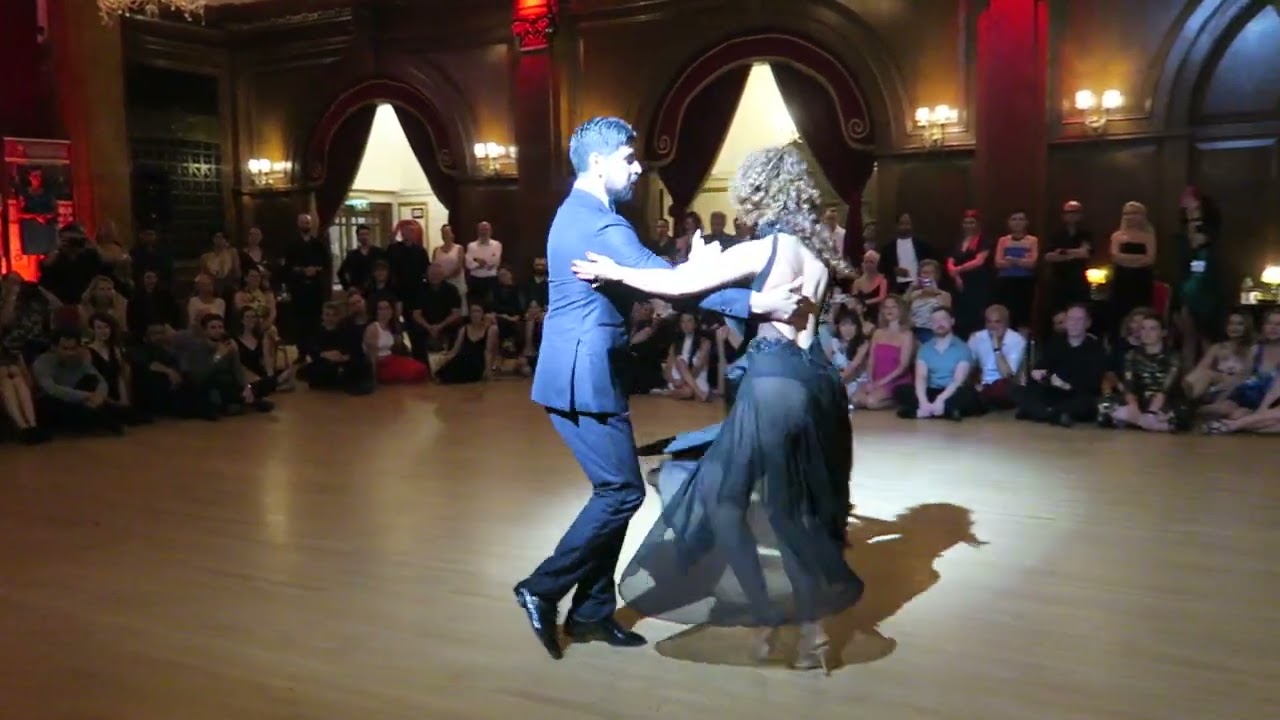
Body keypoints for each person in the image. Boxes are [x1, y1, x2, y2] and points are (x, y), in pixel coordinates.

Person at [512, 117, 805, 660]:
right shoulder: (599, 224)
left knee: (616, 493)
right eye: (628, 157)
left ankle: (591, 612)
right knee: (621, 493)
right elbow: (670, 287)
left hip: (586, 370)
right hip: (581, 375)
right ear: (599, 163)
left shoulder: (585, 216)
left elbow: (658, 275)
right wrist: (755, 305)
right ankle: (542, 588)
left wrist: (685, 269)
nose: (637, 166)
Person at [571, 145, 864, 673]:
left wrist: (614, 270)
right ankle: (802, 631)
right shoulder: (814, 255)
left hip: (774, 383)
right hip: (814, 382)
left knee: (735, 502)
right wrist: (703, 263)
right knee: (775, 506)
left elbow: (680, 286)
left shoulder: (768, 248)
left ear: (761, 192)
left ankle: (777, 618)